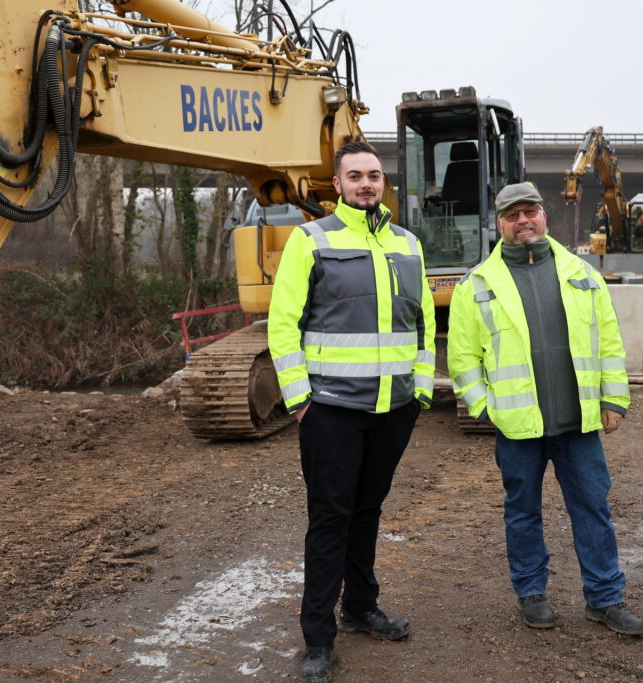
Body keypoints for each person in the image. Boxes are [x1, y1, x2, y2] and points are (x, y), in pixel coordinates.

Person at [268, 140, 436, 682]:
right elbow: (282, 323)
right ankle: (318, 637)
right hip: (333, 409)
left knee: (368, 512)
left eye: (375, 175)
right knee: (330, 519)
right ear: (337, 185)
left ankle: (361, 608)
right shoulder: (310, 240)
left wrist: (422, 387)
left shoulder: (408, 243)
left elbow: (422, 322)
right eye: (355, 175)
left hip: (394, 408)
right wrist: (299, 399)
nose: (367, 183)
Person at [448, 182, 643, 636]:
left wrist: (614, 398)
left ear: (544, 216)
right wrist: (486, 408)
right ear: (500, 225)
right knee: (523, 511)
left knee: (593, 507)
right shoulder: (476, 285)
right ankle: (531, 593)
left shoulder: (581, 274)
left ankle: (605, 597)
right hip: (519, 427)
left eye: (530, 212)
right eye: (513, 215)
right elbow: (462, 358)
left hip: (577, 421)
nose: (524, 221)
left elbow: (609, 341)